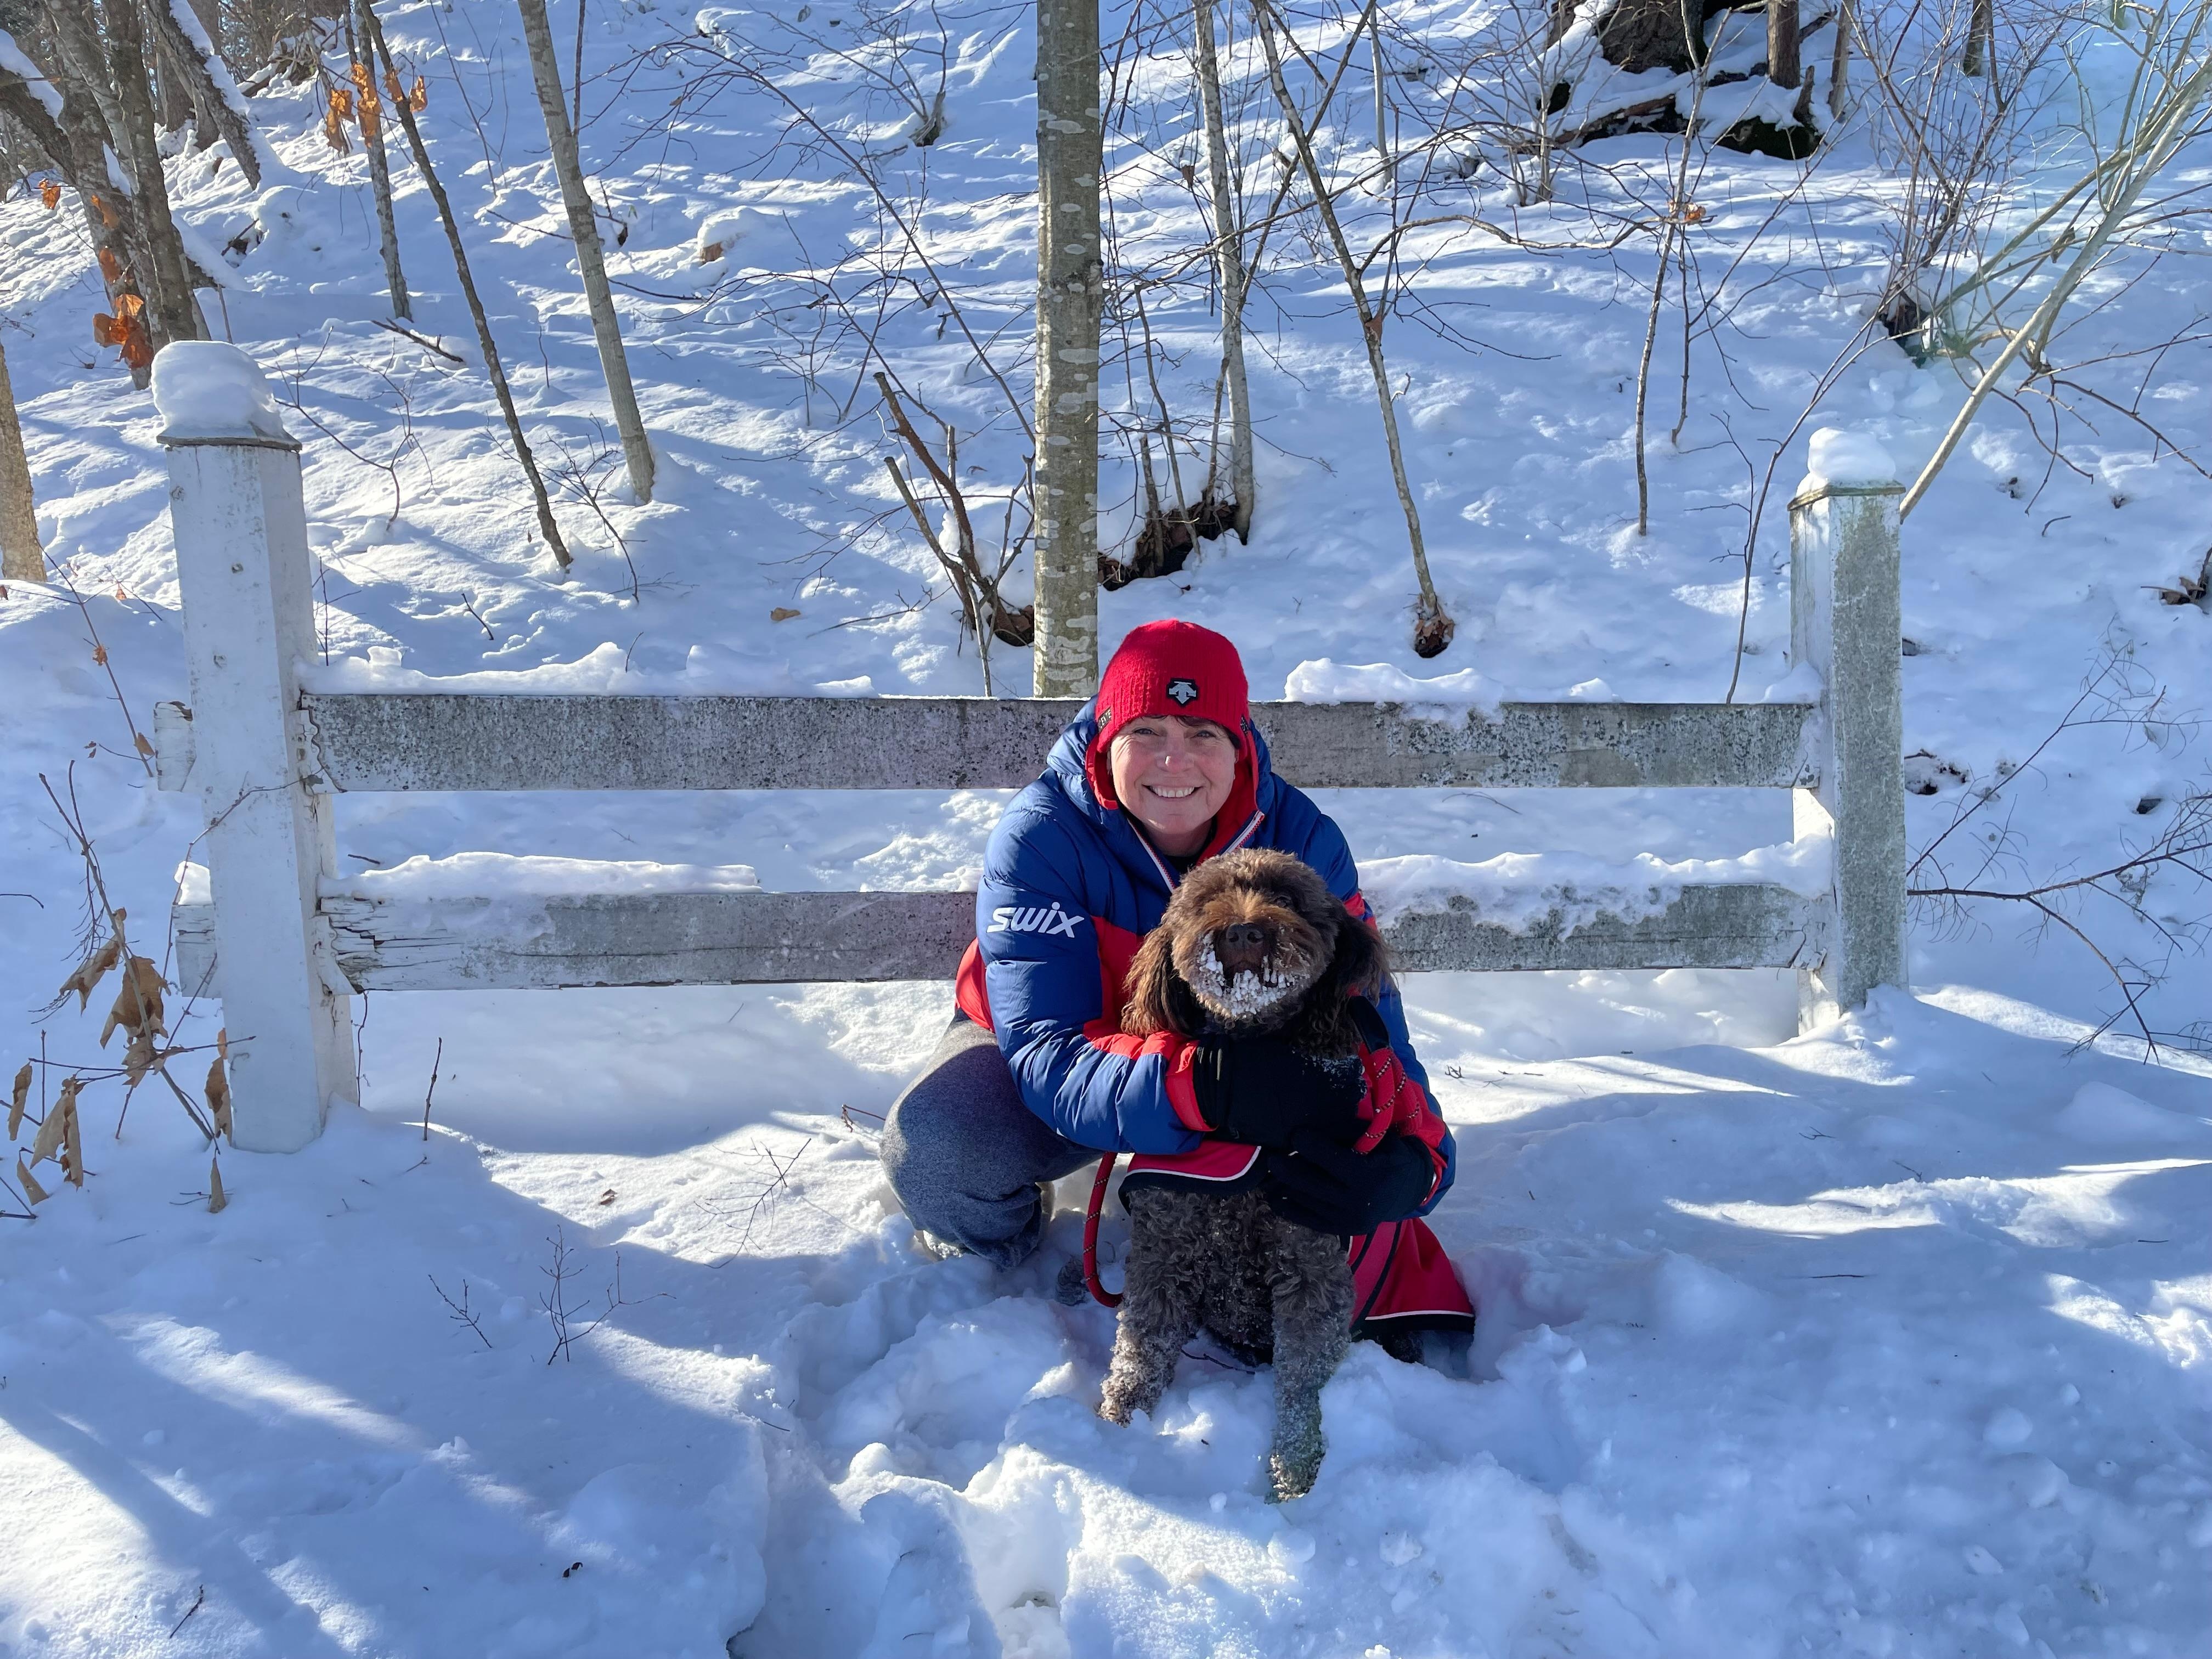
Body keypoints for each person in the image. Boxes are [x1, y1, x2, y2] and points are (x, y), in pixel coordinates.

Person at [881, 619, 1456, 1272]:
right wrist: (1204, 1087)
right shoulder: (1041, 837)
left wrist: (1421, 1162)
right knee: (935, 1152)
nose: (1174, 761)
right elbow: (1047, 1049)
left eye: (1203, 733)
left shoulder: (1303, 839)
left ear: (1240, 746)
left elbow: (1369, 1019)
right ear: (1107, 740)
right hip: (1056, 1045)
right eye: (1146, 731)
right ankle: (1010, 1263)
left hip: (1247, 1048)